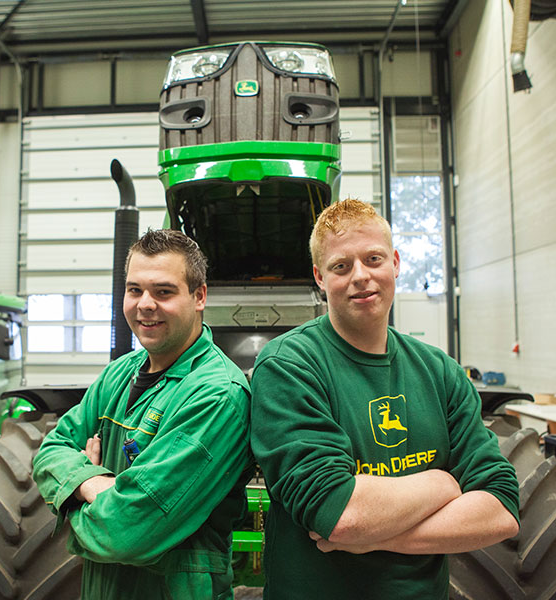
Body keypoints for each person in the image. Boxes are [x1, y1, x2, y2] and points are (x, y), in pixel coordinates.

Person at [250, 199, 520, 599]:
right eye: (341, 266)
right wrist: (443, 483)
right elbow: (339, 514)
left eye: (373, 259)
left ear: (395, 262)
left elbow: (500, 509)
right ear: (319, 278)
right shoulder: (289, 365)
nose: (361, 276)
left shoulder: (439, 371)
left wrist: (374, 537)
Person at [33, 229, 252, 600]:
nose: (145, 304)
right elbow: (50, 449)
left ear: (199, 296)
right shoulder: (118, 374)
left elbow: (123, 533)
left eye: (163, 292)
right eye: (135, 290)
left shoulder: (216, 396)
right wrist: (92, 482)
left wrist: (69, 495)